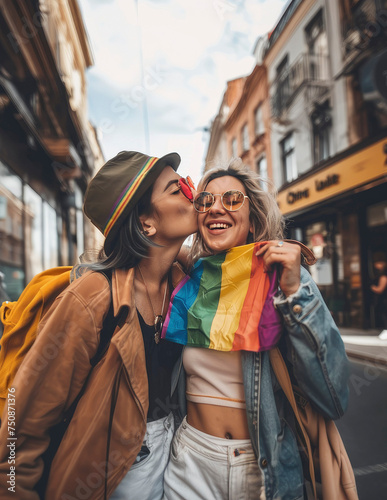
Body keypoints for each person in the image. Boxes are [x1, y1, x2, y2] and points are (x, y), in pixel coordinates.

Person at [0, 150, 197, 499]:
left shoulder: (183, 285)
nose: (188, 190)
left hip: (172, 468)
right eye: (174, 188)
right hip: (106, 480)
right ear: (145, 223)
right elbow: (22, 418)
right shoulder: (92, 296)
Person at [163, 158, 350, 500]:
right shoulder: (187, 282)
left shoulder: (283, 279)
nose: (217, 208)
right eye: (205, 201)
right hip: (190, 459)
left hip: (262, 469)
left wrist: (295, 293)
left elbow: (333, 395)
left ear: (252, 218)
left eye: (232, 199)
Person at [370, 259, 387, 339]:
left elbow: (380, 289)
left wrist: (372, 287)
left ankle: (385, 330)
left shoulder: (383, 277)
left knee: (384, 315)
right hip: (382, 300)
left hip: (383, 300)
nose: (376, 265)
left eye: (378, 263)